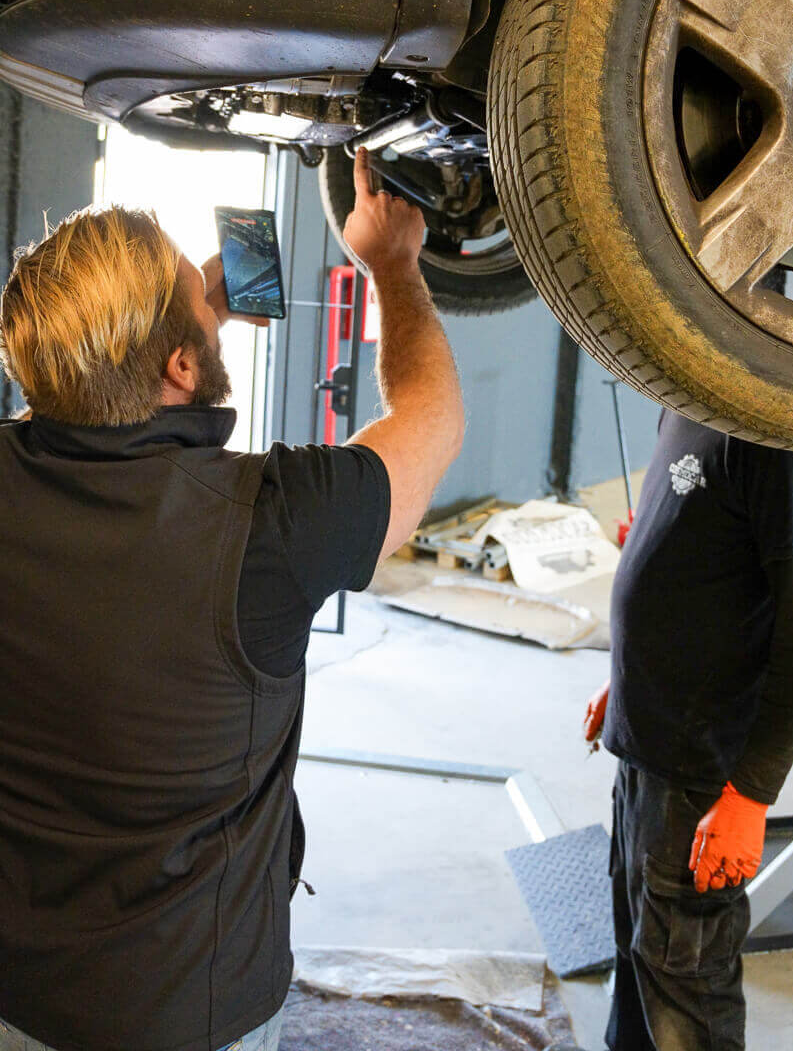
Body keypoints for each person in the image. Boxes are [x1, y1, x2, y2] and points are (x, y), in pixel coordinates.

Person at [0, 148, 463, 1051]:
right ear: (180, 366)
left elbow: (83, 405)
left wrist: (185, 331)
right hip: (185, 1011)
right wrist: (393, 265)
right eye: (198, 301)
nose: (213, 296)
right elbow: (432, 416)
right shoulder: (273, 525)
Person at [583, 408, 793, 1051]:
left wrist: (750, 796)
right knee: (638, 960)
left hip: (700, 775)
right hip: (645, 744)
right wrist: (625, 679)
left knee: (686, 989)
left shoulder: (780, 438)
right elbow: (686, 551)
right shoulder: (685, 399)